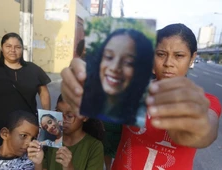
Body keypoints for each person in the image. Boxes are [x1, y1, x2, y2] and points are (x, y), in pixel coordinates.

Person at [60, 23, 221, 170]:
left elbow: (207, 132)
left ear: (192, 57)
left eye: (179, 56)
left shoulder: (205, 101)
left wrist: (191, 123)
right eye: (161, 54)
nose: (168, 63)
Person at [81, 28, 154, 125]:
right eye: (108, 57)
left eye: (128, 62)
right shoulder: (82, 99)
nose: (114, 68)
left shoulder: (140, 119)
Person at [0, 32, 51, 147]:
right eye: (8, 46)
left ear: (22, 49)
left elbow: (44, 92)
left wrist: (46, 115)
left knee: (27, 161)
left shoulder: (33, 69)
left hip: (27, 128)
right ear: (1, 48)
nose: (13, 50)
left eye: (17, 47)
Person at [27, 94, 104, 170]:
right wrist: (38, 163)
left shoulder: (95, 147)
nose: (62, 120)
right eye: (58, 113)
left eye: (69, 116)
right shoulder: (50, 139)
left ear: (85, 117)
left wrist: (69, 168)